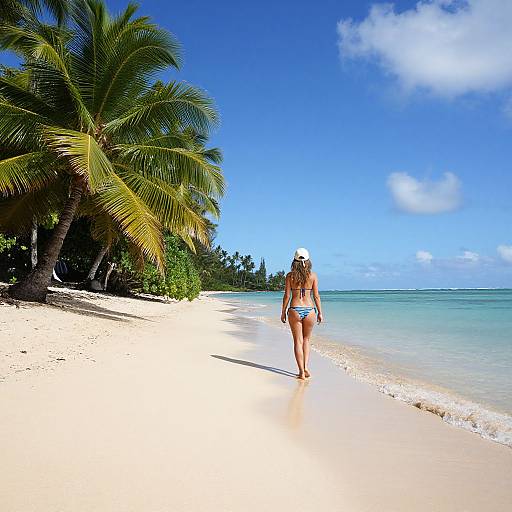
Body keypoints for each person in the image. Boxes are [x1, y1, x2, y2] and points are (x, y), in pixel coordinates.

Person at [281, 248, 323, 379]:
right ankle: (305, 367)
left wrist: (283, 312)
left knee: (297, 341)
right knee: (306, 340)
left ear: (294, 260)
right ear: (308, 260)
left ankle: (301, 372)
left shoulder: (290, 276)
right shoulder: (313, 276)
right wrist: (320, 312)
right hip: (310, 310)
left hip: (294, 309)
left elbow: (287, 295)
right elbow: (316, 296)